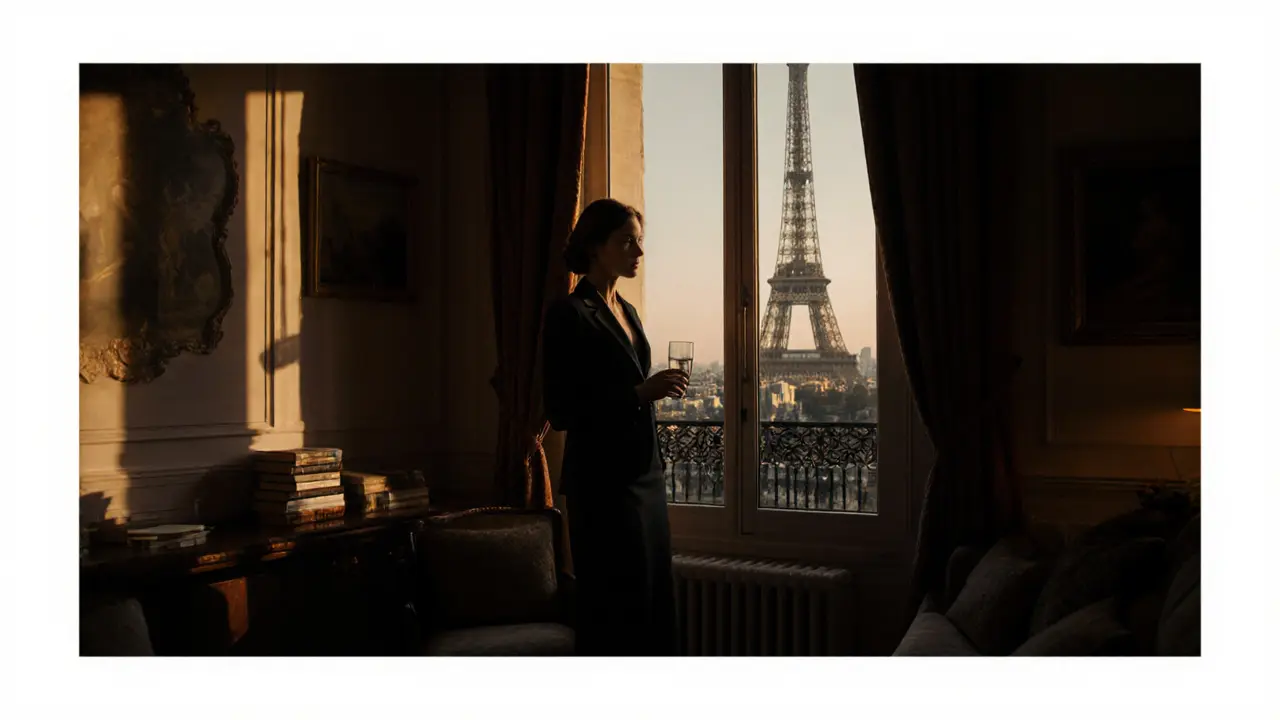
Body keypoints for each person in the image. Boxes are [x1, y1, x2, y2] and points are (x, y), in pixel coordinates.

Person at [542, 198, 689, 656]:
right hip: (602, 486)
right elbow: (562, 411)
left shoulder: (627, 311)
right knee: (617, 607)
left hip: (645, 479)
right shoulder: (568, 314)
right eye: (627, 242)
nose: (638, 252)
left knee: (653, 600)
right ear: (595, 246)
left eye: (639, 242)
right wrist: (640, 393)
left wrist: (646, 392)